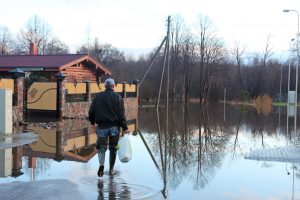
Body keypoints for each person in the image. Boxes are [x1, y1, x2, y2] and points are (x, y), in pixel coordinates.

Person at [89, 78, 129, 177]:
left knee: (101, 148)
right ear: (113, 86)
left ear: (105, 86)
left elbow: (91, 111)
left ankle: (101, 165)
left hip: (101, 127)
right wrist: (125, 127)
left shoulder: (98, 97)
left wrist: (92, 122)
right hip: (114, 127)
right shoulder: (118, 97)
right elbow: (121, 115)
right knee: (113, 148)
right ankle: (111, 170)